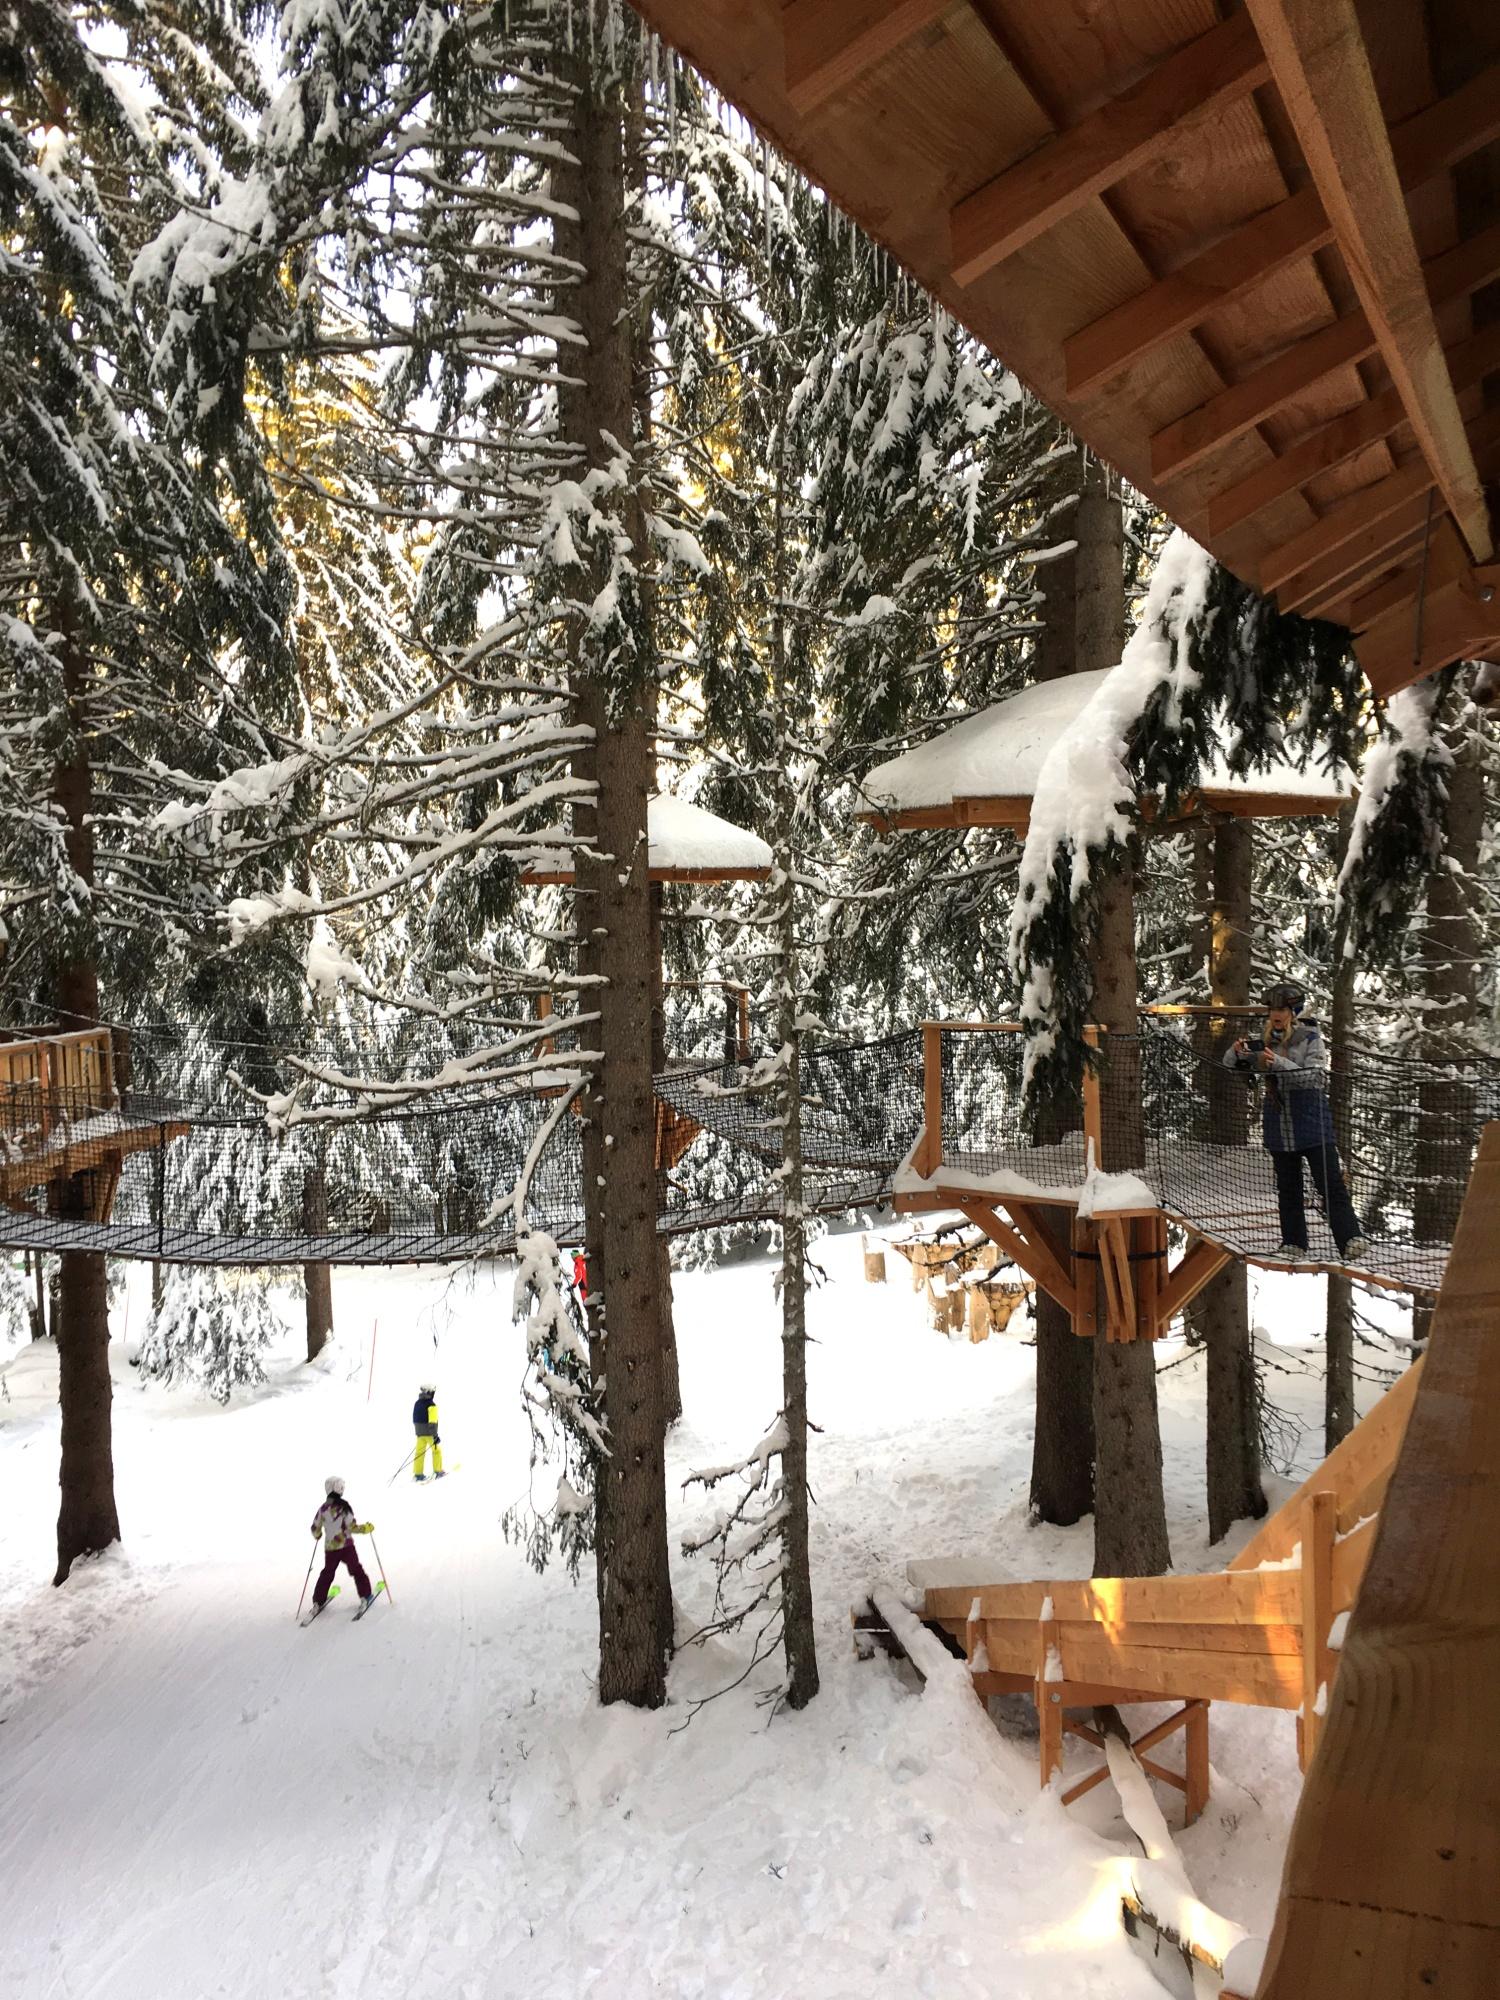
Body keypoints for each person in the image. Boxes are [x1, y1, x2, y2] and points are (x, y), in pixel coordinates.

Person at [1224, 981, 1367, 1263]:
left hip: (1312, 1125)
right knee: (1288, 1189)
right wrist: (1236, 1053)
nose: (1275, 1014)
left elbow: (1314, 1076)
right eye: (1272, 1009)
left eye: (1281, 1009)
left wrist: (1278, 1063)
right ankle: (1293, 1243)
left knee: (1330, 1185)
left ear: (1293, 1012)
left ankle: (1351, 1239)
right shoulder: (1264, 1039)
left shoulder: (1311, 1038)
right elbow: (1231, 1066)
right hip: (1279, 1127)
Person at [310, 1476, 375, 1610]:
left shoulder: (323, 1508)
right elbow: (352, 1527)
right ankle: (366, 1595)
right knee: (356, 1570)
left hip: (331, 1549)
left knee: (327, 1573)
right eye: (341, 1486)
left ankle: (318, 1601)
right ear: (338, 1488)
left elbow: (315, 1527)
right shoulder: (344, 1507)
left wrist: (318, 1535)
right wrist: (366, 1528)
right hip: (346, 1547)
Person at [412, 1382, 444, 1481]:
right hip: (430, 1434)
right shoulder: (431, 1405)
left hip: (419, 1434)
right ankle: (438, 1471)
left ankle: (418, 1474)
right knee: (436, 1451)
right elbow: (432, 1422)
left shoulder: (417, 1403)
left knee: (419, 1453)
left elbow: (415, 1418)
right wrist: (435, 1435)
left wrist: (418, 1431)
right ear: (430, 1393)